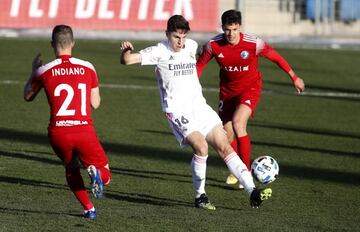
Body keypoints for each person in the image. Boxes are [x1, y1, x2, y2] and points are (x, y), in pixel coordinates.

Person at [120, 15, 272, 209]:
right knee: (201, 147)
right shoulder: (158, 51)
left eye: (183, 36)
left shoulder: (191, 46)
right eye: (176, 37)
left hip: (199, 107)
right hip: (177, 110)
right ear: (167, 34)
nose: (180, 41)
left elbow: (205, 55)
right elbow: (127, 61)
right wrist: (126, 51)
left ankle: (252, 191)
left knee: (224, 144)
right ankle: (200, 196)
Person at [196, 10, 305, 187]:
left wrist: (294, 77)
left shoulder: (253, 43)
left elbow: (275, 57)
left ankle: (245, 172)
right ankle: (237, 169)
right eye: (227, 29)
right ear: (222, 27)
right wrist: (190, 86)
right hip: (227, 93)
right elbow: (199, 66)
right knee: (227, 134)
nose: (230, 34)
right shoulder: (213, 45)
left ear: (240, 27)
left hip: (250, 89)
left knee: (239, 124)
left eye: (234, 29)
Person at [23, 25, 111, 219]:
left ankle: (89, 208)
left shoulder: (44, 71)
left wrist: (33, 71)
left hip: (58, 133)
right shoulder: (88, 67)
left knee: (71, 169)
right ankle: (95, 172)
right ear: (73, 43)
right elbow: (95, 103)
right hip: (83, 131)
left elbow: (27, 96)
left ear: (52, 45)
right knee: (105, 173)